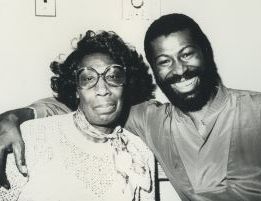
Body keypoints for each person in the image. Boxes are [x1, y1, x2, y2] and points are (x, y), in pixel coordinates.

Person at [0, 13, 261, 201]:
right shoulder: (151, 119)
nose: (179, 70)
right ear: (155, 71)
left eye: (187, 54)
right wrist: (15, 116)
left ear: (206, 53)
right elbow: (83, 107)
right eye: (164, 61)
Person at [0, 30, 156, 201]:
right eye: (88, 78)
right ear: (75, 88)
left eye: (113, 76)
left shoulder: (140, 153)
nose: (103, 89)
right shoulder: (31, 138)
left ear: (126, 84)